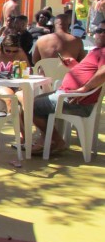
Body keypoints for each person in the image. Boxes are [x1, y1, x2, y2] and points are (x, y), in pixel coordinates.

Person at [31, 19, 105, 156]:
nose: (97, 34)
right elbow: (90, 72)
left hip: (76, 100)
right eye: (97, 30)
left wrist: (85, 89)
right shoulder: (98, 51)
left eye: (101, 31)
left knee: (30, 106)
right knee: (35, 100)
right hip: (69, 95)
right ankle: (47, 140)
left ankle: (56, 141)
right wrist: (74, 66)